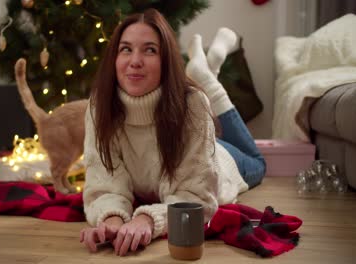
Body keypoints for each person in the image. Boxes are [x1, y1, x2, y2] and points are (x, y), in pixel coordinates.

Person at [79, 8, 266, 256]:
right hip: (200, 143)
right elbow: (103, 182)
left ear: (166, 60)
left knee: (258, 162)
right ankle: (209, 72)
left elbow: (196, 196)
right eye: (126, 49)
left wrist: (147, 221)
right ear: (114, 58)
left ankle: (211, 82)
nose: (135, 61)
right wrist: (111, 220)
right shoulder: (98, 107)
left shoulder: (194, 105)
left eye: (149, 50)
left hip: (220, 163)